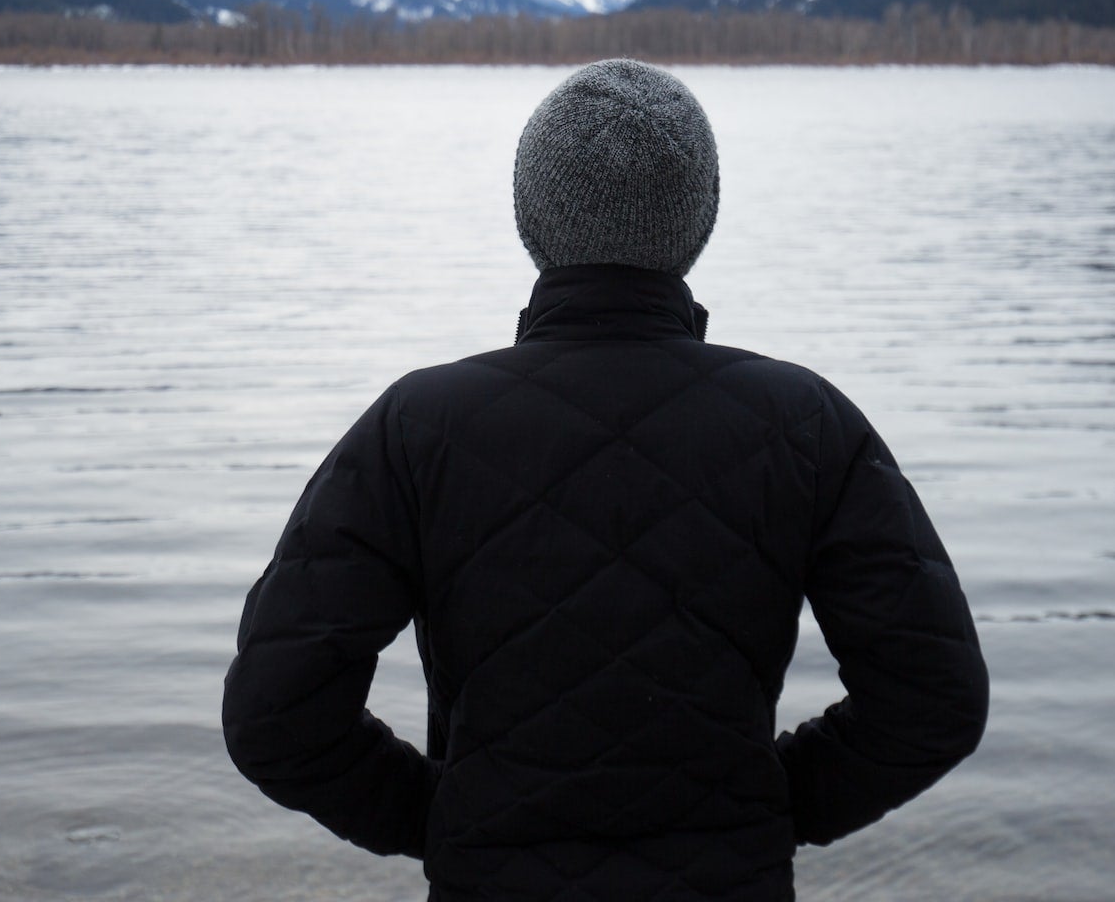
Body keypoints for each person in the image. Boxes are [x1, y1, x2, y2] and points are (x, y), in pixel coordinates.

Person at [222, 59, 988, 900]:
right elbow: (933, 697)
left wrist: (442, 817)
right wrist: (770, 807)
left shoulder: (416, 425)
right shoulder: (805, 420)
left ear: (531, 217)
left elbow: (276, 713)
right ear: (699, 221)